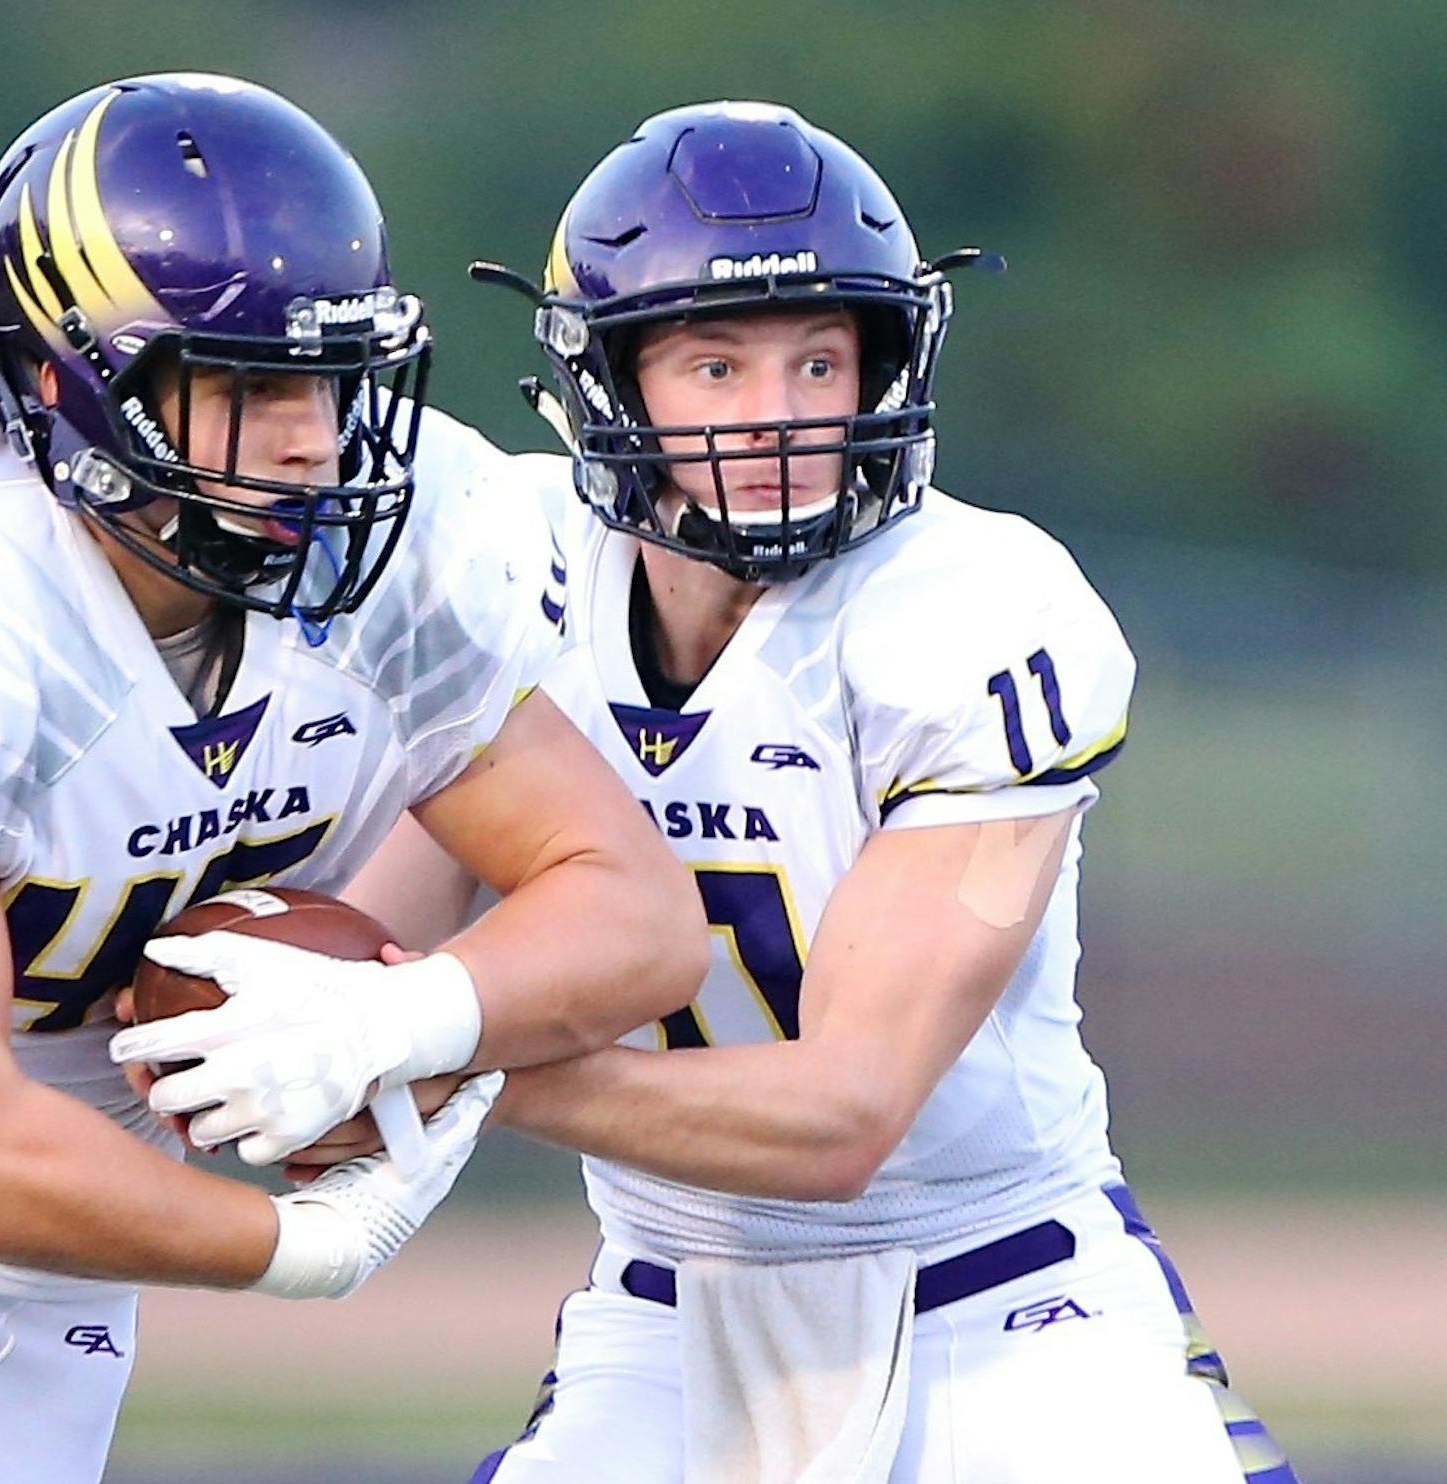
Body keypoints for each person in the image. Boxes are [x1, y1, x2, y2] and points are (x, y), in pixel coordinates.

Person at [0, 74, 704, 1483]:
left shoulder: (409, 559)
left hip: (58, 1256)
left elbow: (636, 913)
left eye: (334, 381)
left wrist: (401, 1017)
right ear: (65, 383)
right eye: (252, 385)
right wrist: (304, 1246)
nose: (314, 439)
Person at [338, 102, 1299, 1483]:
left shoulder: (968, 608)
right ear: (606, 383)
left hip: (999, 1291)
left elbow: (847, 1115)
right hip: (668, 1298)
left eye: (818, 359)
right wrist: (296, 1015)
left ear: (885, 368)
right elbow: (374, 940)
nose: (777, 415)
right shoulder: (508, 576)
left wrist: (431, 1051)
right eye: (715, 364)